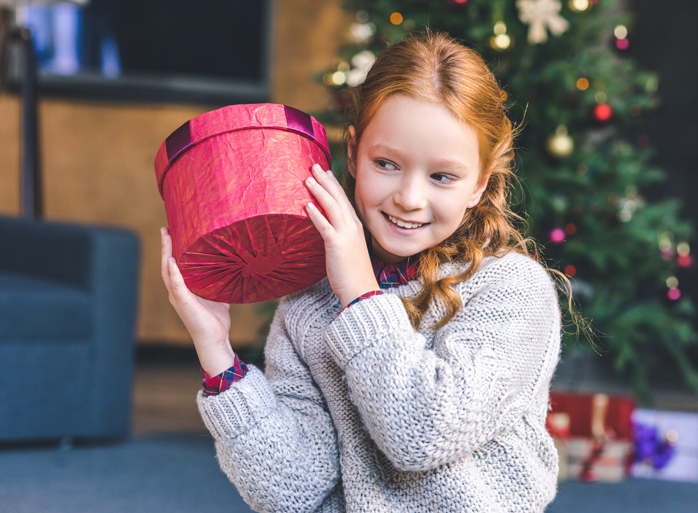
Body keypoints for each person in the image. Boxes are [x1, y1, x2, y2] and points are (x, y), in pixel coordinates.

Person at [161, 31, 562, 513]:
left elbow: (422, 433)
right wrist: (218, 353)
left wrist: (360, 296)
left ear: (479, 183)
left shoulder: (513, 290)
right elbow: (294, 491)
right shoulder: (308, 305)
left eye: (442, 176)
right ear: (352, 152)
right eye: (387, 163)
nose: (409, 197)